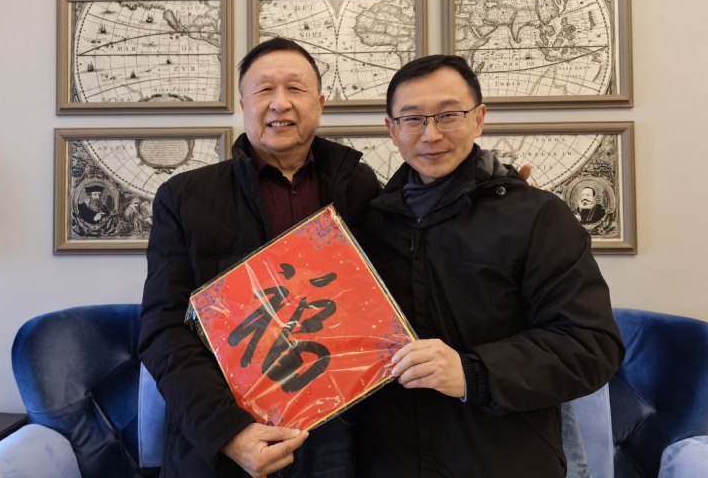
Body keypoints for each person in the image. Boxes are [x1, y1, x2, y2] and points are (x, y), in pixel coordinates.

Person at [355, 54, 624, 477]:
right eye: (413, 119)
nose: (431, 134)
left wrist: (473, 372)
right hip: (388, 461)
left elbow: (591, 346)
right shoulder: (368, 222)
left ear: (479, 119)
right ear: (392, 129)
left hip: (504, 459)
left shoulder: (537, 216)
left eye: (448, 115)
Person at [139, 37, 380, 477]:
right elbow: (162, 329)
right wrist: (228, 433)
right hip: (232, 430)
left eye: (295, 88)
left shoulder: (360, 187)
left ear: (320, 104)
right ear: (243, 104)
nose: (280, 102)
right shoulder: (184, 197)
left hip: (342, 428)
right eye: (265, 89)